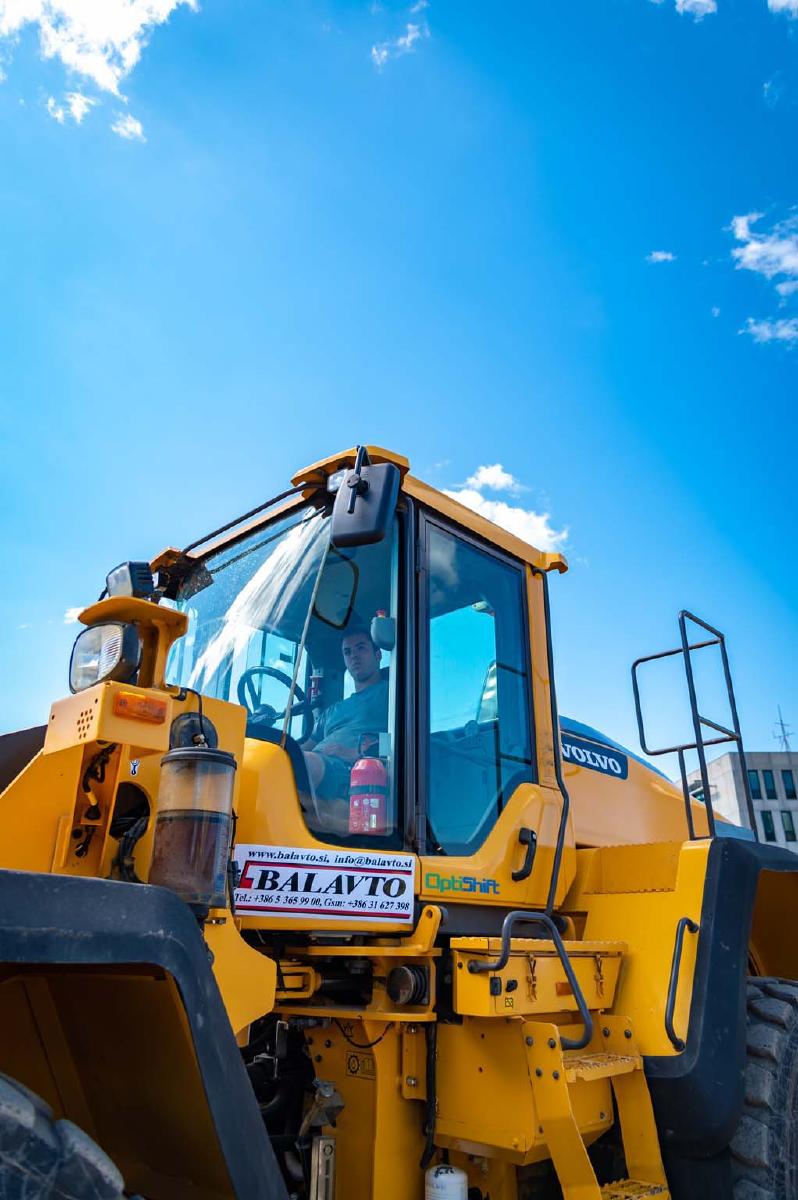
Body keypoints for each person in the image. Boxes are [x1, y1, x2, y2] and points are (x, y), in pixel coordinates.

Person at [302, 625, 388, 803]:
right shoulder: (332, 711)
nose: (354, 655)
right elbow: (304, 747)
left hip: (355, 772)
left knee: (300, 765)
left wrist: (351, 753)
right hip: (317, 764)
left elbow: (403, 743)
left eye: (361, 648)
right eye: (347, 652)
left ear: (378, 655)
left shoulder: (391, 693)